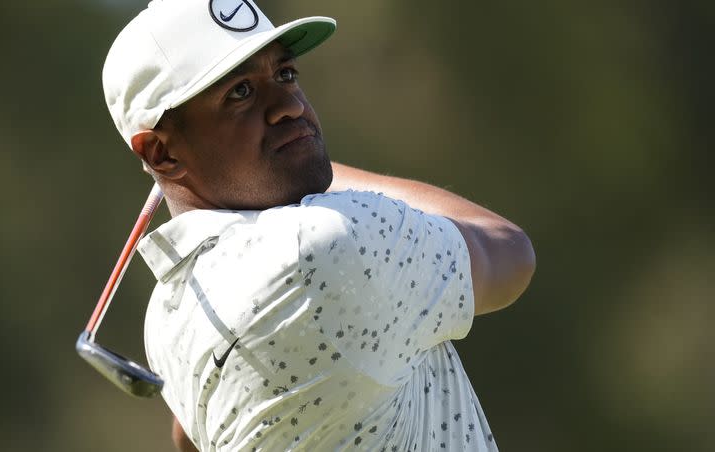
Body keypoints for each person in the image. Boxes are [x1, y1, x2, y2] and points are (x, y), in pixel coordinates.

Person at [102, 1, 535, 450]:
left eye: (285, 75)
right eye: (241, 93)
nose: (289, 105)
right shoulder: (327, 246)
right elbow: (508, 250)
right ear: (160, 153)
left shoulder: (168, 318)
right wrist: (310, 159)